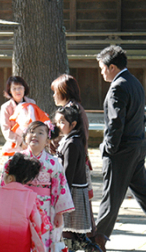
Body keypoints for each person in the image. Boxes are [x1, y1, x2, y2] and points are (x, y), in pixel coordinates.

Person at [94, 45, 146, 251]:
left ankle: (97, 240)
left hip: (122, 150)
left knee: (111, 196)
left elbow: (116, 122)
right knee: (145, 193)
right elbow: (141, 117)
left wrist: (109, 148)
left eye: (102, 68)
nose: (102, 72)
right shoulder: (134, 83)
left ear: (112, 67)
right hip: (137, 146)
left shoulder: (118, 86)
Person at [1, 121, 75, 251]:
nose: (35, 135)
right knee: (21, 237)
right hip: (20, 205)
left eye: (40, 133)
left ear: (47, 140)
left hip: (45, 207)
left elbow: (60, 187)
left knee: (43, 237)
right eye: (31, 132)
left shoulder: (53, 162)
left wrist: (59, 213)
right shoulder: (16, 160)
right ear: (25, 137)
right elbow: (6, 182)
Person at [50, 74, 96, 238]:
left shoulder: (74, 110)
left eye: (56, 91)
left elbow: (78, 139)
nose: (54, 95)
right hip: (73, 162)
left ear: (64, 92)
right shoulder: (71, 108)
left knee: (78, 214)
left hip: (75, 165)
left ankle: (92, 242)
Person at [0, 153, 52, 252]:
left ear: (10, 178)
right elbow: (37, 220)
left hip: (0, 235)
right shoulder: (29, 196)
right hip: (22, 236)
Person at [54, 105, 101, 252]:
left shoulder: (72, 143)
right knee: (72, 231)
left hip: (72, 190)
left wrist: (61, 193)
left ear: (73, 124)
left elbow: (68, 171)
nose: (58, 125)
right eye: (57, 122)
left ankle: (90, 248)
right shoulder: (70, 140)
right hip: (72, 189)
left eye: (62, 122)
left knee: (72, 230)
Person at [0, 76, 36, 156]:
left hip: (31, 145)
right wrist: (20, 142)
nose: (17, 91)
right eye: (14, 88)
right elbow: (5, 129)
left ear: (24, 88)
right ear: (9, 91)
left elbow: (36, 123)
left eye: (20, 87)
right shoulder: (6, 107)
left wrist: (28, 140)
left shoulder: (32, 103)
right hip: (14, 146)